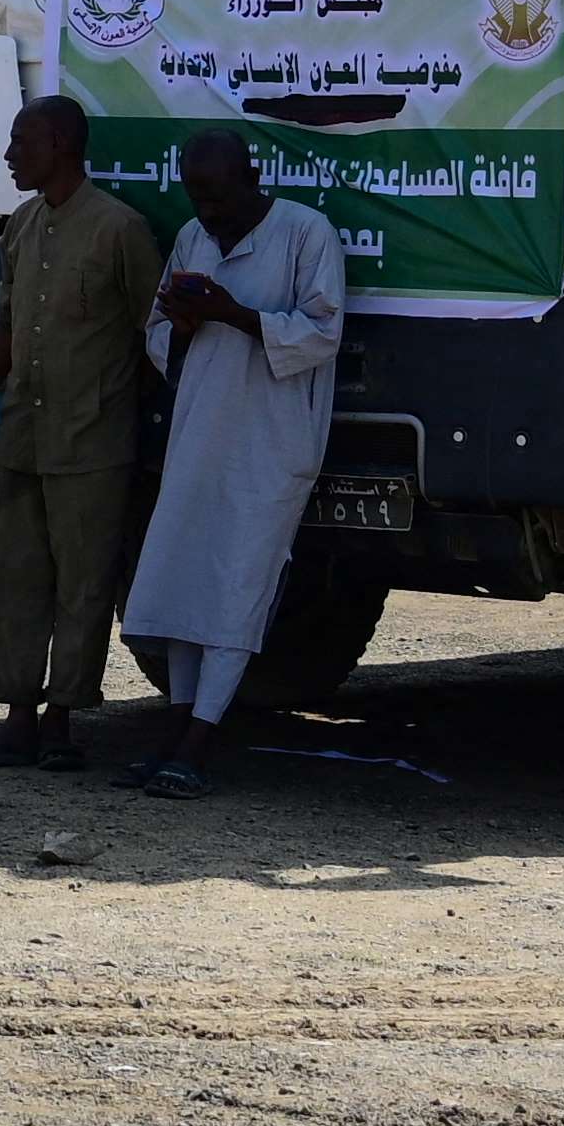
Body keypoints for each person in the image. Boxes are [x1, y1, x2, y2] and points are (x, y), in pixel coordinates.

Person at [115, 122, 358, 787]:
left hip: (272, 442)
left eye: (218, 195)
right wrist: (188, 324)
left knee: (236, 584)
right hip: (200, 433)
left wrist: (232, 312)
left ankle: (199, 741)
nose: (207, 210)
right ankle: (178, 724)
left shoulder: (306, 233)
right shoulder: (193, 239)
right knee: (185, 572)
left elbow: (321, 334)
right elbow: (161, 340)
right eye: (196, 195)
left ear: (252, 180)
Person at [0, 94, 166, 769]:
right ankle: (17, 715)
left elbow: (154, 336)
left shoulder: (120, 231)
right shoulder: (20, 227)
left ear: (62, 146)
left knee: (83, 583)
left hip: (93, 439)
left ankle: (62, 721)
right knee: (15, 578)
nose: (11, 155)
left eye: (23, 142)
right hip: (25, 433)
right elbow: (7, 335)